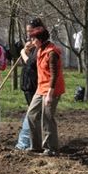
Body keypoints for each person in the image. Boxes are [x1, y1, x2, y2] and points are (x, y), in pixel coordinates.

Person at [26, 26, 65, 156]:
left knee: (47, 117)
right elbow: (30, 63)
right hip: (41, 87)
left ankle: (51, 149)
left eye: (34, 39)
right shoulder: (39, 49)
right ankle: (36, 146)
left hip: (52, 89)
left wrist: (49, 95)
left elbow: (54, 75)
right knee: (31, 114)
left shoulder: (52, 52)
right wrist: (25, 51)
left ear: (41, 39)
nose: (32, 41)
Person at [15, 18, 44, 150]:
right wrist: (26, 50)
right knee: (32, 114)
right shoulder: (32, 44)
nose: (29, 34)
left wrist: (22, 53)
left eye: (31, 31)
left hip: (35, 84)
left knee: (32, 114)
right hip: (28, 84)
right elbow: (27, 64)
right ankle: (30, 142)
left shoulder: (40, 45)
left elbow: (31, 64)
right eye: (27, 32)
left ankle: (24, 143)